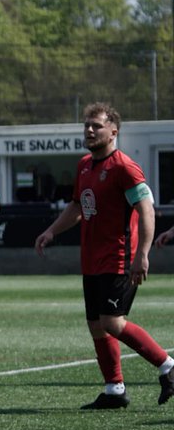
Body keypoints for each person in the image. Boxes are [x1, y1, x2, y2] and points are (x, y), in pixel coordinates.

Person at [34, 103, 174, 409]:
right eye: (86, 125)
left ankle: (168, 366)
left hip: (119, 257)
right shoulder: (84, 165)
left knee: (112, 322)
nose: (89, 130)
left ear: (114, 131)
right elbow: (75, 208)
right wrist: (51, 232)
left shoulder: (124, 167)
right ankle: (114, 390)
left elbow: (146, 210)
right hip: (93, 259)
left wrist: (143, 254)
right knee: (96, 324)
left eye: (96, 125)